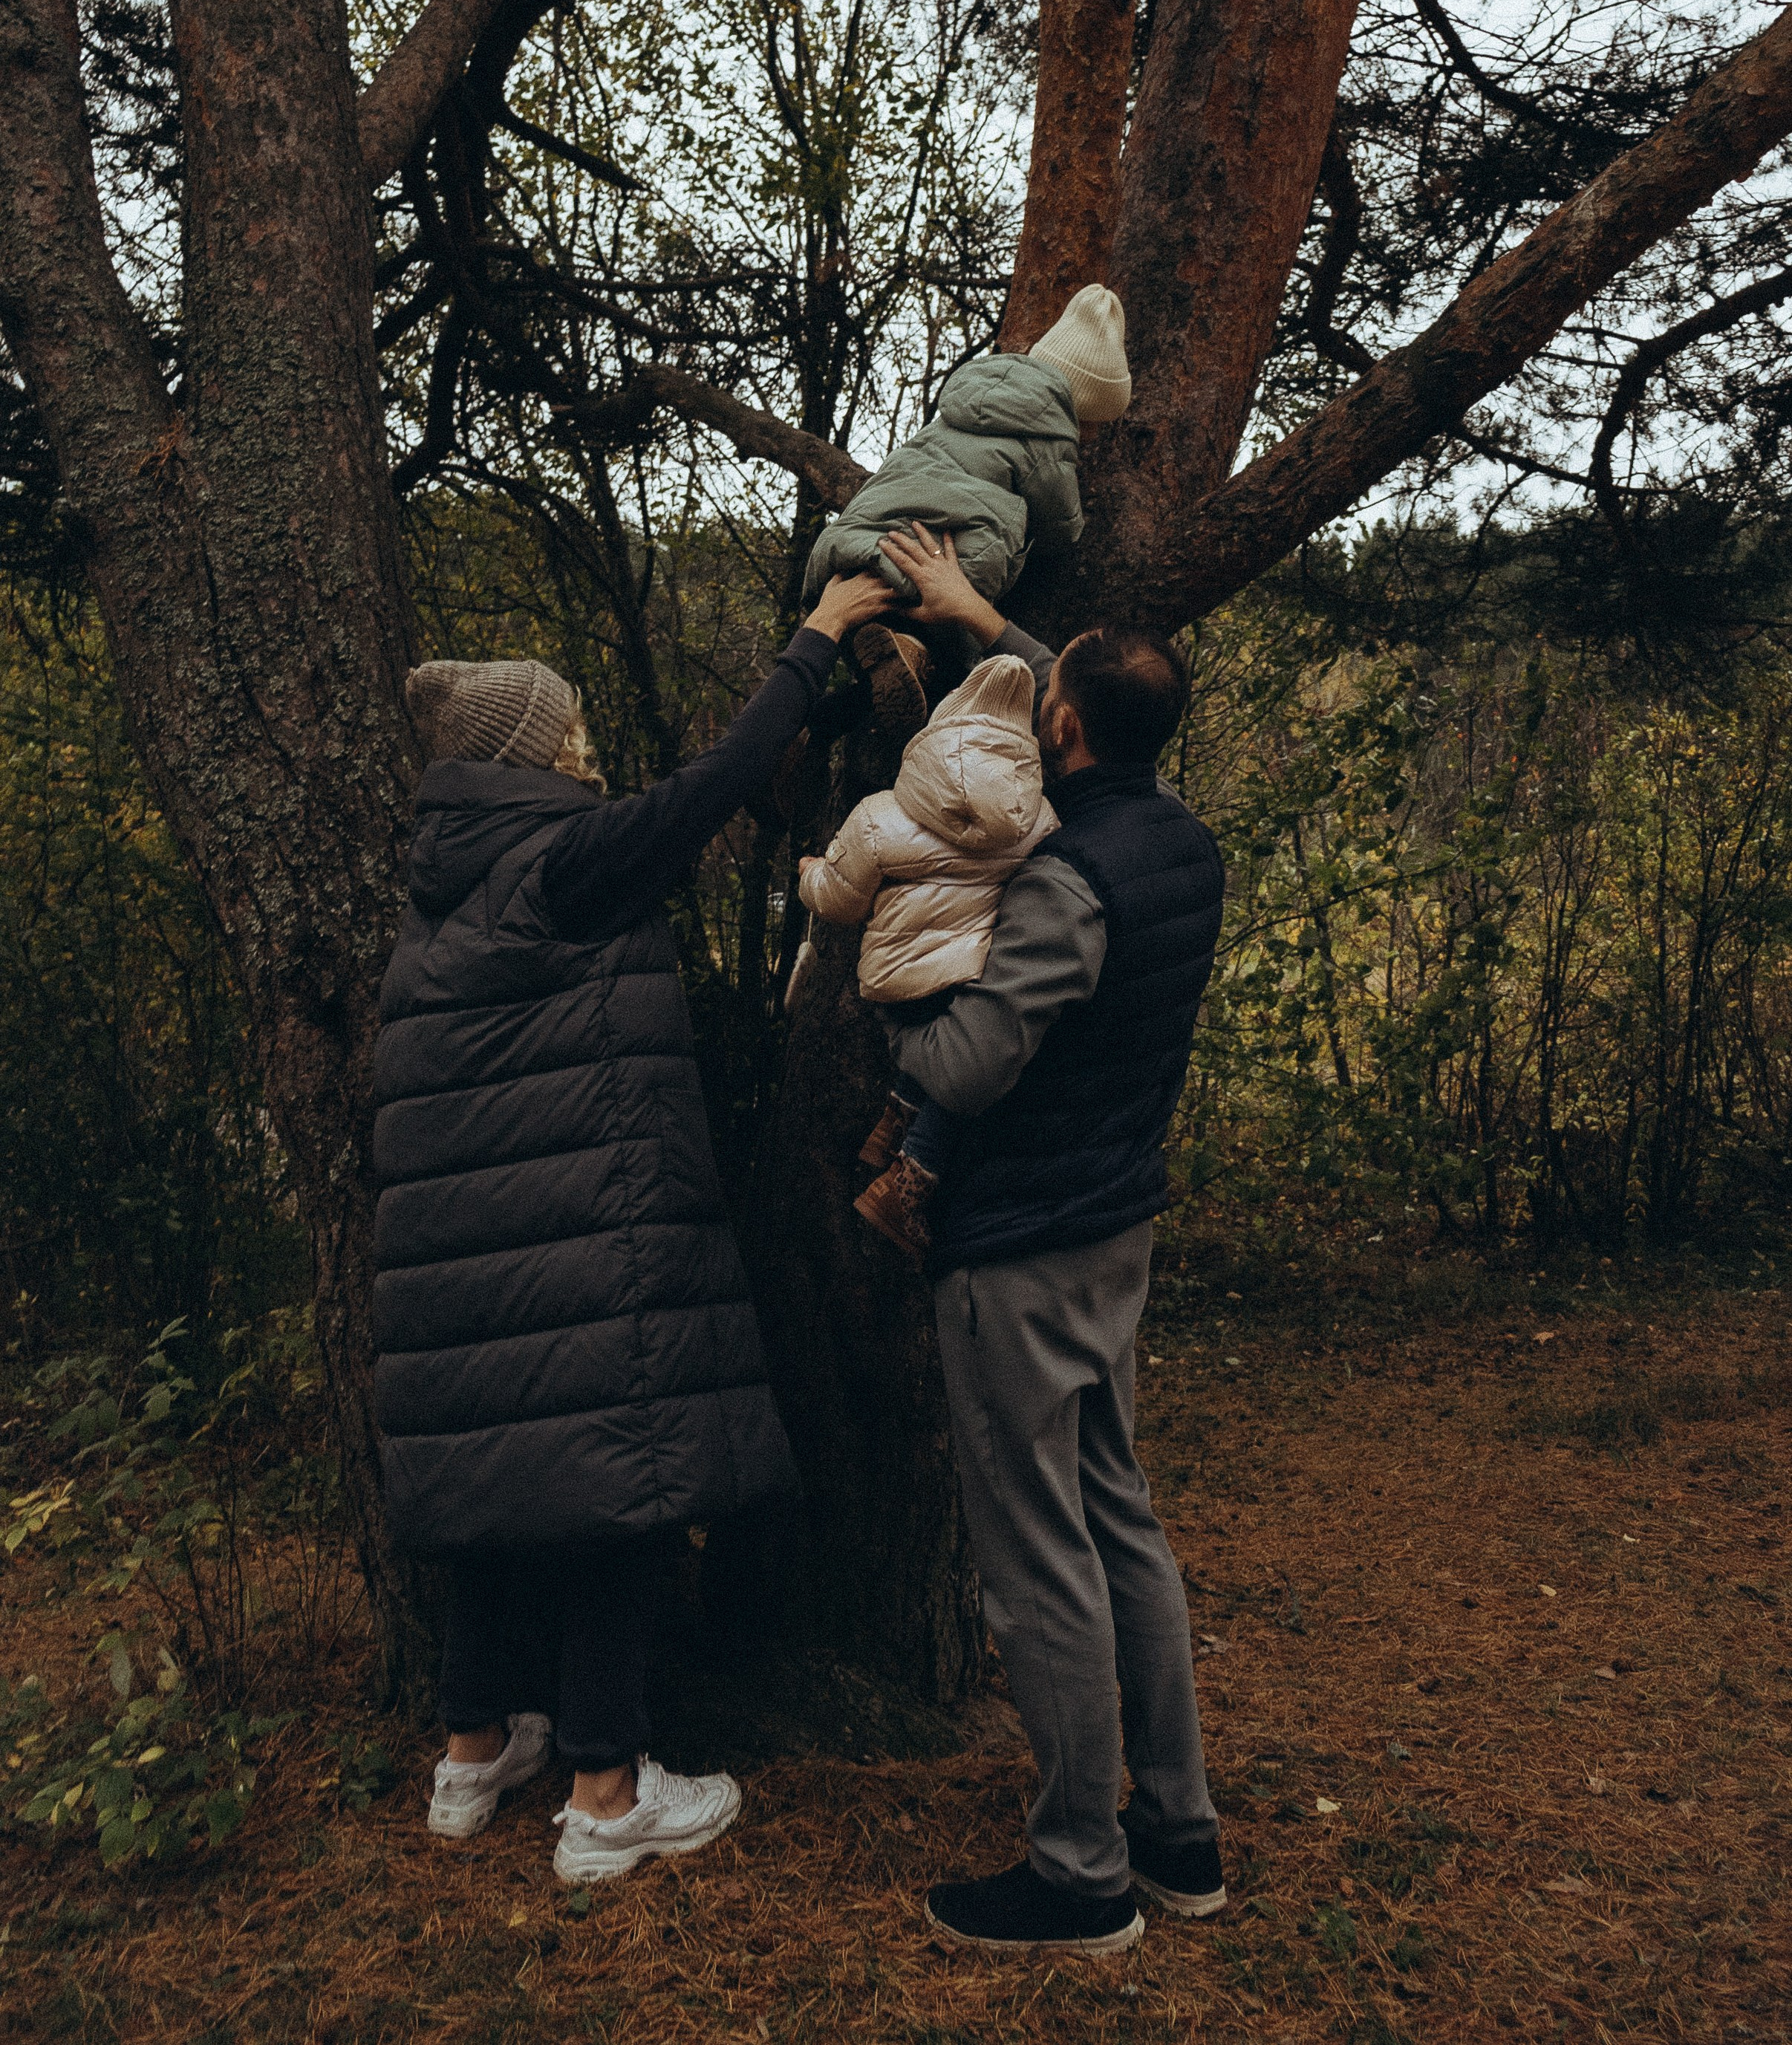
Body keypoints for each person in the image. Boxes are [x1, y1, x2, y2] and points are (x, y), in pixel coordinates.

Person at [370, 568, 891, 1887]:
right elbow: (714, 784)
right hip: (581, 1248)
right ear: (524, 756)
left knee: (505, 1486)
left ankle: (473, 1747)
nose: (584, 741)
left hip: (473, 1269)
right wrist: (818, 635)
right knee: (614, 1491)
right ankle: (606, 1792)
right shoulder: (563, 863)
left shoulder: (441, 900)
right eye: (565, 728)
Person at [873, 521, 1229, 1958]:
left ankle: (1080, 1870)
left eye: (1046, 695)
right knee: (1118, 1518)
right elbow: (1085, 699)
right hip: (1113, 1228)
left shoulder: (1065, 881)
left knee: (1035, 1561)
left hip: (1016, 1243)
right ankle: (1178, 1831)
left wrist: (896, 1016)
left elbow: (971, 1063)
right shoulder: (1178, 840)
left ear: (1062, 729)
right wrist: (977, 615)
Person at [793, 653, 1058, 1255]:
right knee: (976, 1072)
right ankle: (910, 1169)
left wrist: (811, 875)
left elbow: (839, 900)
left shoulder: (880, 814)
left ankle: (897, 1151)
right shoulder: (1039, 817)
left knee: (954, 1067)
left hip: (894, 980)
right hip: (970, 974)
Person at [798, 285, 1132, 742]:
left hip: (862, 536)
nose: (1091, 436)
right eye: (1094, 425)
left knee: (882, 610)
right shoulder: (1049, 439)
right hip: (937, 559)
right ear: (1081, 406)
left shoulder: (970, 398)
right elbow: (1061, 527)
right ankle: (911, 654)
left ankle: (811, 718)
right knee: (955, 648)